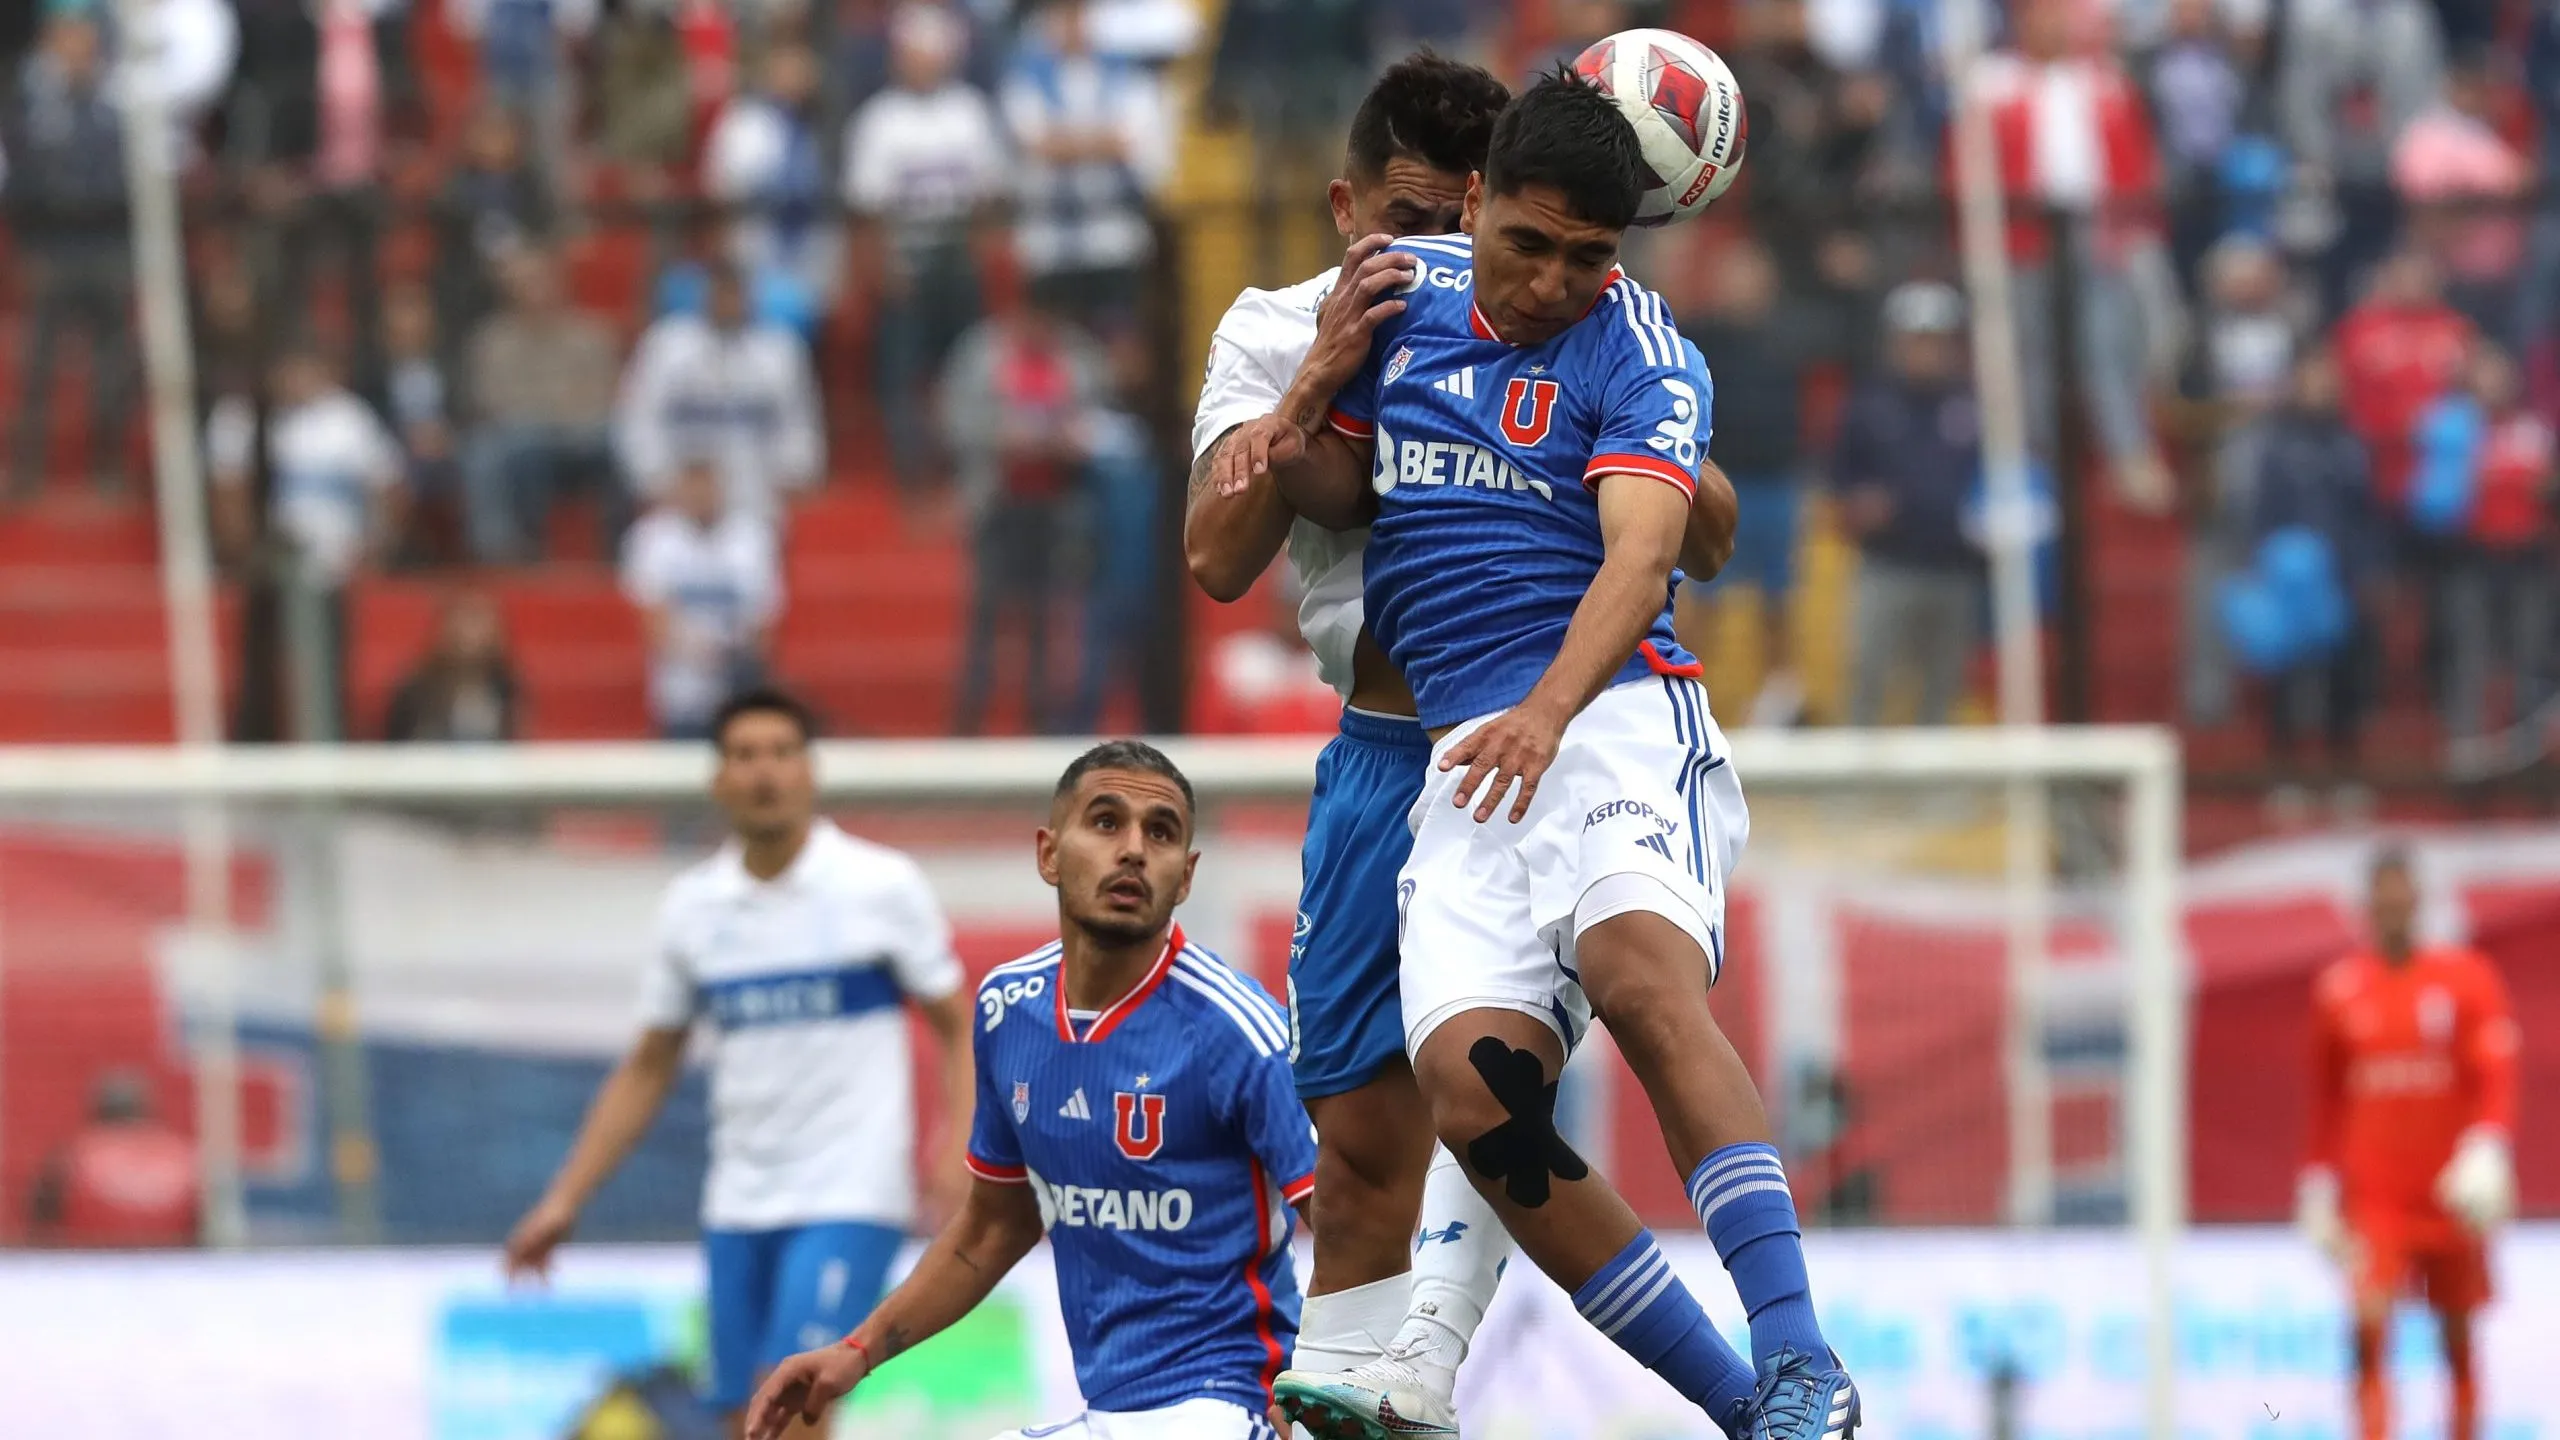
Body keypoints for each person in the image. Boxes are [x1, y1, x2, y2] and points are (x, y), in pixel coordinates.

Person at [1241, 69, 1853, 1440]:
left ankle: (1804, 1351)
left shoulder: (1637, 343)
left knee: (1640, 979)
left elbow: (1649, 553)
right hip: (1463, 768)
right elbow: (1332, 490)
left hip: (1618, 722)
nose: (1558, 281)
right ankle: (1750, 1411)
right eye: (1532, 245)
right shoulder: (1397, 303)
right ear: (1475, 203)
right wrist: (1311, 398)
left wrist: (1552, 706)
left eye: (1593, 255)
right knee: (1479, 1097)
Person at [743, 740, 1316, 1440]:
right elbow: (994, 1225)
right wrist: (855, 1354)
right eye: (1106, 822)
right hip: (1109, 1409)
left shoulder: (1237, 1030)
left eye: (1160, 832)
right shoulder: (1007, 1009)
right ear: (1049, 853)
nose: (1133, 849)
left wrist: (1331, 1387)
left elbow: (1343, 1220)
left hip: (1233, 1403)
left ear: (1186, 876)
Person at [504, 688, 974, 1439]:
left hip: (851, 1192)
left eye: (783, 754)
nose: (766, 773)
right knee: (742, 1419)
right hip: (739, 1200)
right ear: (718, 779)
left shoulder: (879, 887)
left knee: (793, 1402)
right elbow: (649, 1066)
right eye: (745, 756)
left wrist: (960, 1147)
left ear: (810, 772)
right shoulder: (694, 908)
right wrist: (565, 1199)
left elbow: (959, 1025)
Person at [2297, 845, 2519, 1440]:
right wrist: (2317, 1184)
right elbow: (2327, 1099)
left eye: (2401, 893)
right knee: (2368, 1330)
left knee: (2457, 1338)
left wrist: (2489, 1145)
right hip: (2377, 1201)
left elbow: (2494, 1075)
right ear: (2366, 907)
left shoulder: (2466, 979)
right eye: (2381, 895)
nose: (2392, 906)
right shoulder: (2339, 991)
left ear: (2417, 900)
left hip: (2448, 1194)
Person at [842, 1, 1008, 493]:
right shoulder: (878, 120)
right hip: (905, 262)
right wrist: (885, 272)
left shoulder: (970, 112)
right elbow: (866, 212)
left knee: (966, 367)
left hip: (957, 259)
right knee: (902, 374)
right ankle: (910, 474)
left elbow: (990, 199)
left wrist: (979, 256)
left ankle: (963, 466)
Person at [940, 288, 1108, 735]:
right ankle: (967, 727)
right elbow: (954, 420)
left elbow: (1100, 421)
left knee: (1041, 621)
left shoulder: (1078, 359)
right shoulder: (981, 355)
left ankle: (1037, 725)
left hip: (1053, 506)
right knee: (987, 617)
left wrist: (1069, 440)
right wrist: (1003, 436)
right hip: (999, 503)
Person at [1836, 281, 1986, 728]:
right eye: (1916, 340)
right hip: (1887, 563)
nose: (1926, 352)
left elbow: (1998, 478)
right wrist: (1857, 503)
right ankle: (1855, 786)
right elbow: (1840, 475)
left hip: (1955, 564)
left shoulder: (1974, 405)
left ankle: (1935, 795)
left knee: (1944, 683)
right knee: (1868, 674)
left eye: (1936, 341)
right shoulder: (1870, 402)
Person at [4, 11, 134, 497]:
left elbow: (133, 182)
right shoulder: (33, 113)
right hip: (51, 249)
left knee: (111, 366)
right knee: (37, 366)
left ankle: (110, 463)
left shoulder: (117, 112)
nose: (75, 54)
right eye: (65, 44)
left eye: (83, 44)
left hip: (105, 248)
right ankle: (27, 468)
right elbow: (18, 183)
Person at [614, 259, 824, 524]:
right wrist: (655, 481)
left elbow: (799, 425)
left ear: (749, 297)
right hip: (677, 502)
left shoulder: (780, 351)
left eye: (735, 292)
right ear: (706, 295)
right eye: (721, 292)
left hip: (756, 503)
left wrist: (795, 474)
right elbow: (638, 419)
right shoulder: (666, 345)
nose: (728, 301)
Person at [463, 244, 627, 562]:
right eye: (524, 283)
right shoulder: (492, 341)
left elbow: (603, 395)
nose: (534, 291)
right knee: (492, 448)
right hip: (524, 437)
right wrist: (548, 413)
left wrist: (551, 414)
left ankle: (621, 546)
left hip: (583, 435)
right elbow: (491, 402)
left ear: (558, 284)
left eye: (540, 281)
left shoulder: (591, 335)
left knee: (620, 438)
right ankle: (502, 551)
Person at [621, 460, 784, 740]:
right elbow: (651, 621)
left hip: (738, 686)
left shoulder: (751, 537)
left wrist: (734, 652)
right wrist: (707, 651)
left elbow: (764, 619)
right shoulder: (654, 537)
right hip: (681, 693)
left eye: (707, 487)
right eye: (693, 487)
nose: (701, 496)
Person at [26, 1070, 199, 1248]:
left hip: (87, 1265)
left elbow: (41, 1225)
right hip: (175, 1266)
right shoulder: (187, 1157)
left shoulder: (71, 1156)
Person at [383, 591, 521, 742]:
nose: (471, 634)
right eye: (464, 622)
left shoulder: (507, 686)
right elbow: (397, 746)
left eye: (477, 622)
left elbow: (516, 745)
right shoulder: (418, 687)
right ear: (445, 629)